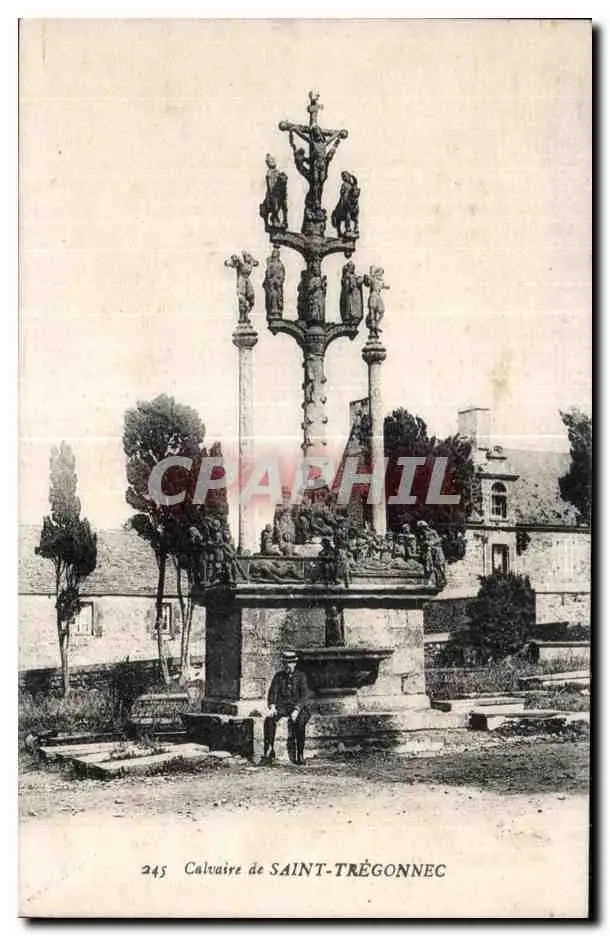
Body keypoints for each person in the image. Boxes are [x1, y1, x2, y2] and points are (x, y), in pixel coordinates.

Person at [263, 651, 311, 765]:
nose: (287, 666)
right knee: (269, 719)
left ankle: (300, 753)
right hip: (284, 706)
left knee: (300, 722)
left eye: (290, 663)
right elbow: (272, 692)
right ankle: (269, 750)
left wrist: (297, 710)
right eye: (285, 663)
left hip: (299, 707)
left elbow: (304, 696)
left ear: (295, 663)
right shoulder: (279, 676)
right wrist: (272, 706)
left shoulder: (301, 676)